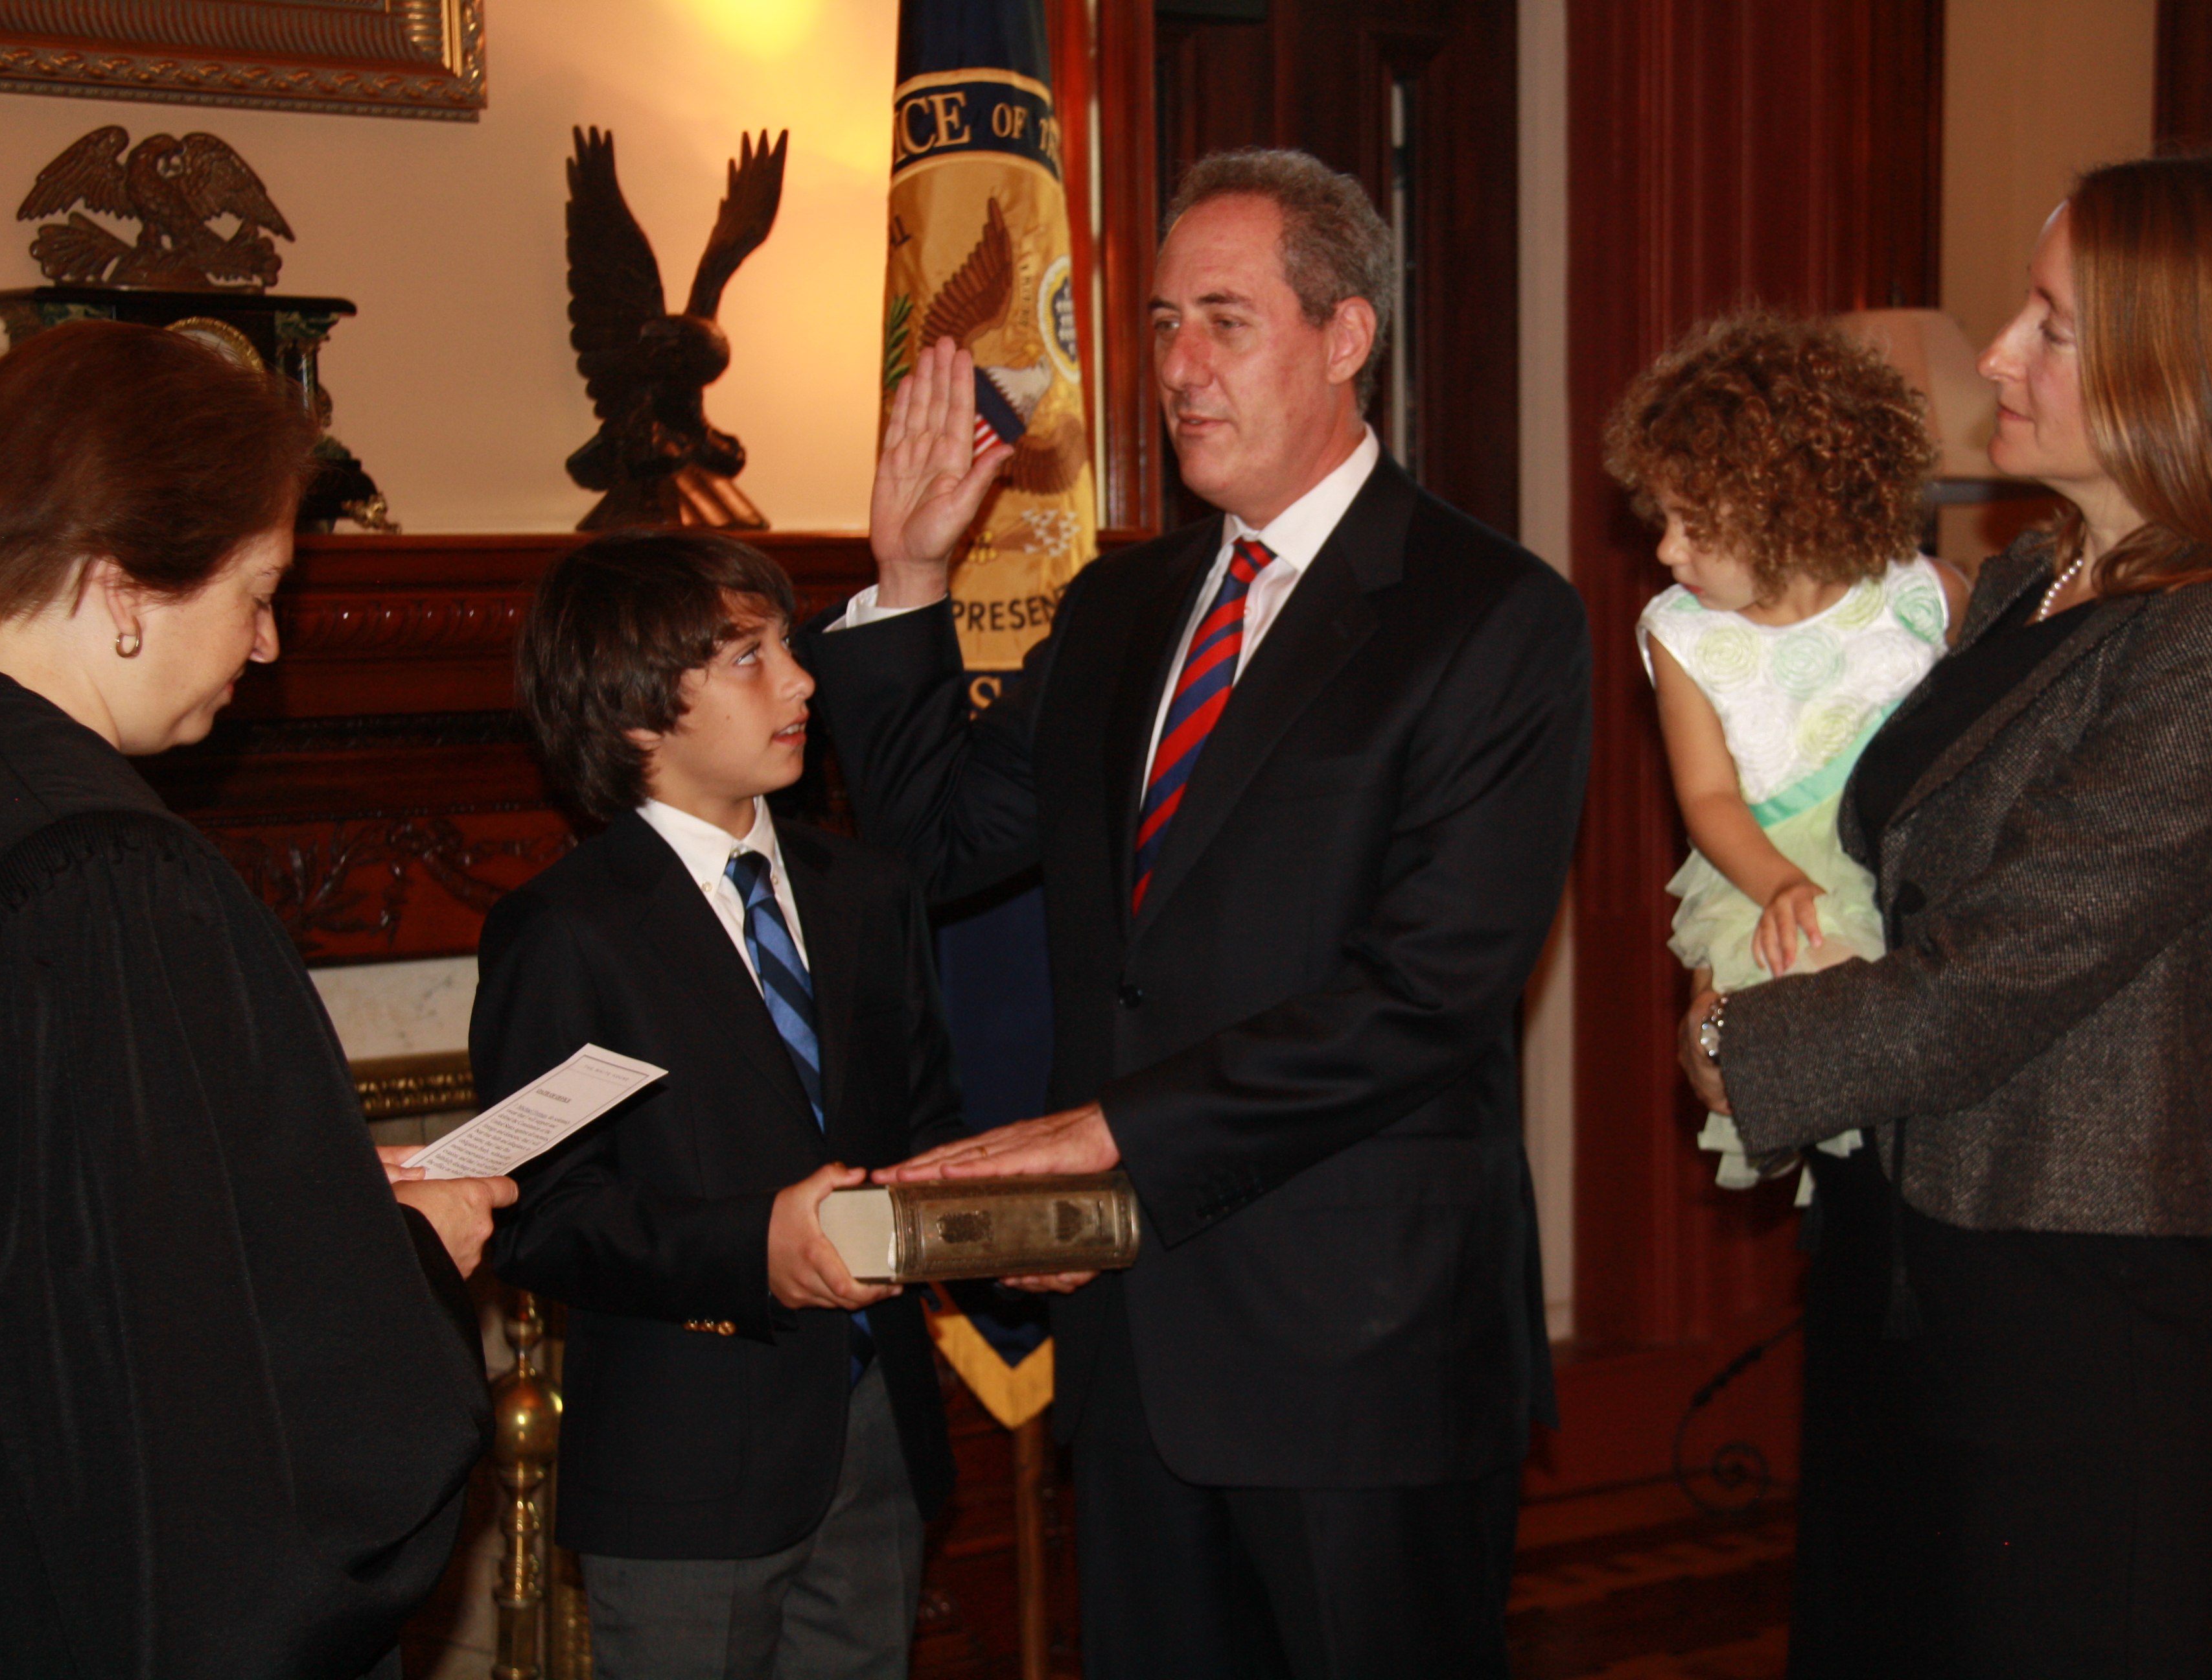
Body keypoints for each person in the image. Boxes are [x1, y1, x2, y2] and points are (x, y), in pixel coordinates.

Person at [801, 148, 1592, 1679]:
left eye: (1223, 321)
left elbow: (1427, 996)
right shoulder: (1121, 605)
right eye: (1161, 324)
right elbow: (939, 844)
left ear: (1347, 335)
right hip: (1137, 1338)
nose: (1175, 368)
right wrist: (907, 578)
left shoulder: (1490, 616)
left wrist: (1110, 1137)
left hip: (1358, 1350)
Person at [1679, 152, 2212, 1677]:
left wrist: (1754, 1044)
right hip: (1911, 1233)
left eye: (2052, 323)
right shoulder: (2030, 585)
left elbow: (2015, 960)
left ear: (2185, 360)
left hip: (2081, 1281)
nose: (2001, 355)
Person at [0, 320, 517, 1679]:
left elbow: (51, 1235)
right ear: (122, 584)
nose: (267, 644)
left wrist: (283, 1186)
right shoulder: (106, 880)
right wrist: (407, 1258)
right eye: (257, 589)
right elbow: (219, 1439)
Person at [472, 530, 964, 1680]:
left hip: (878, 1436)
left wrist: (1011, 1218)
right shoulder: (568, 931)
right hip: (682, 1470)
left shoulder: (870, 893)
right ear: (639, 712)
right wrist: (755, 1245)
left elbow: (927, 1128)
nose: (800, 681)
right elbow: (539, 1213)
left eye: (787, 646)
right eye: (749, 657)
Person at [1607, 310, 1962, 1189]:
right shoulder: (1683, 637)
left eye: (1696, 526)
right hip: (1769, 871)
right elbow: (1710, 802)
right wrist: (1780, 885)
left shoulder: (1926, 597)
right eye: (1663, 517)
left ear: (1790, 511)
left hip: (1919, 870)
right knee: (1810, 998)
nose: (1665, 547)